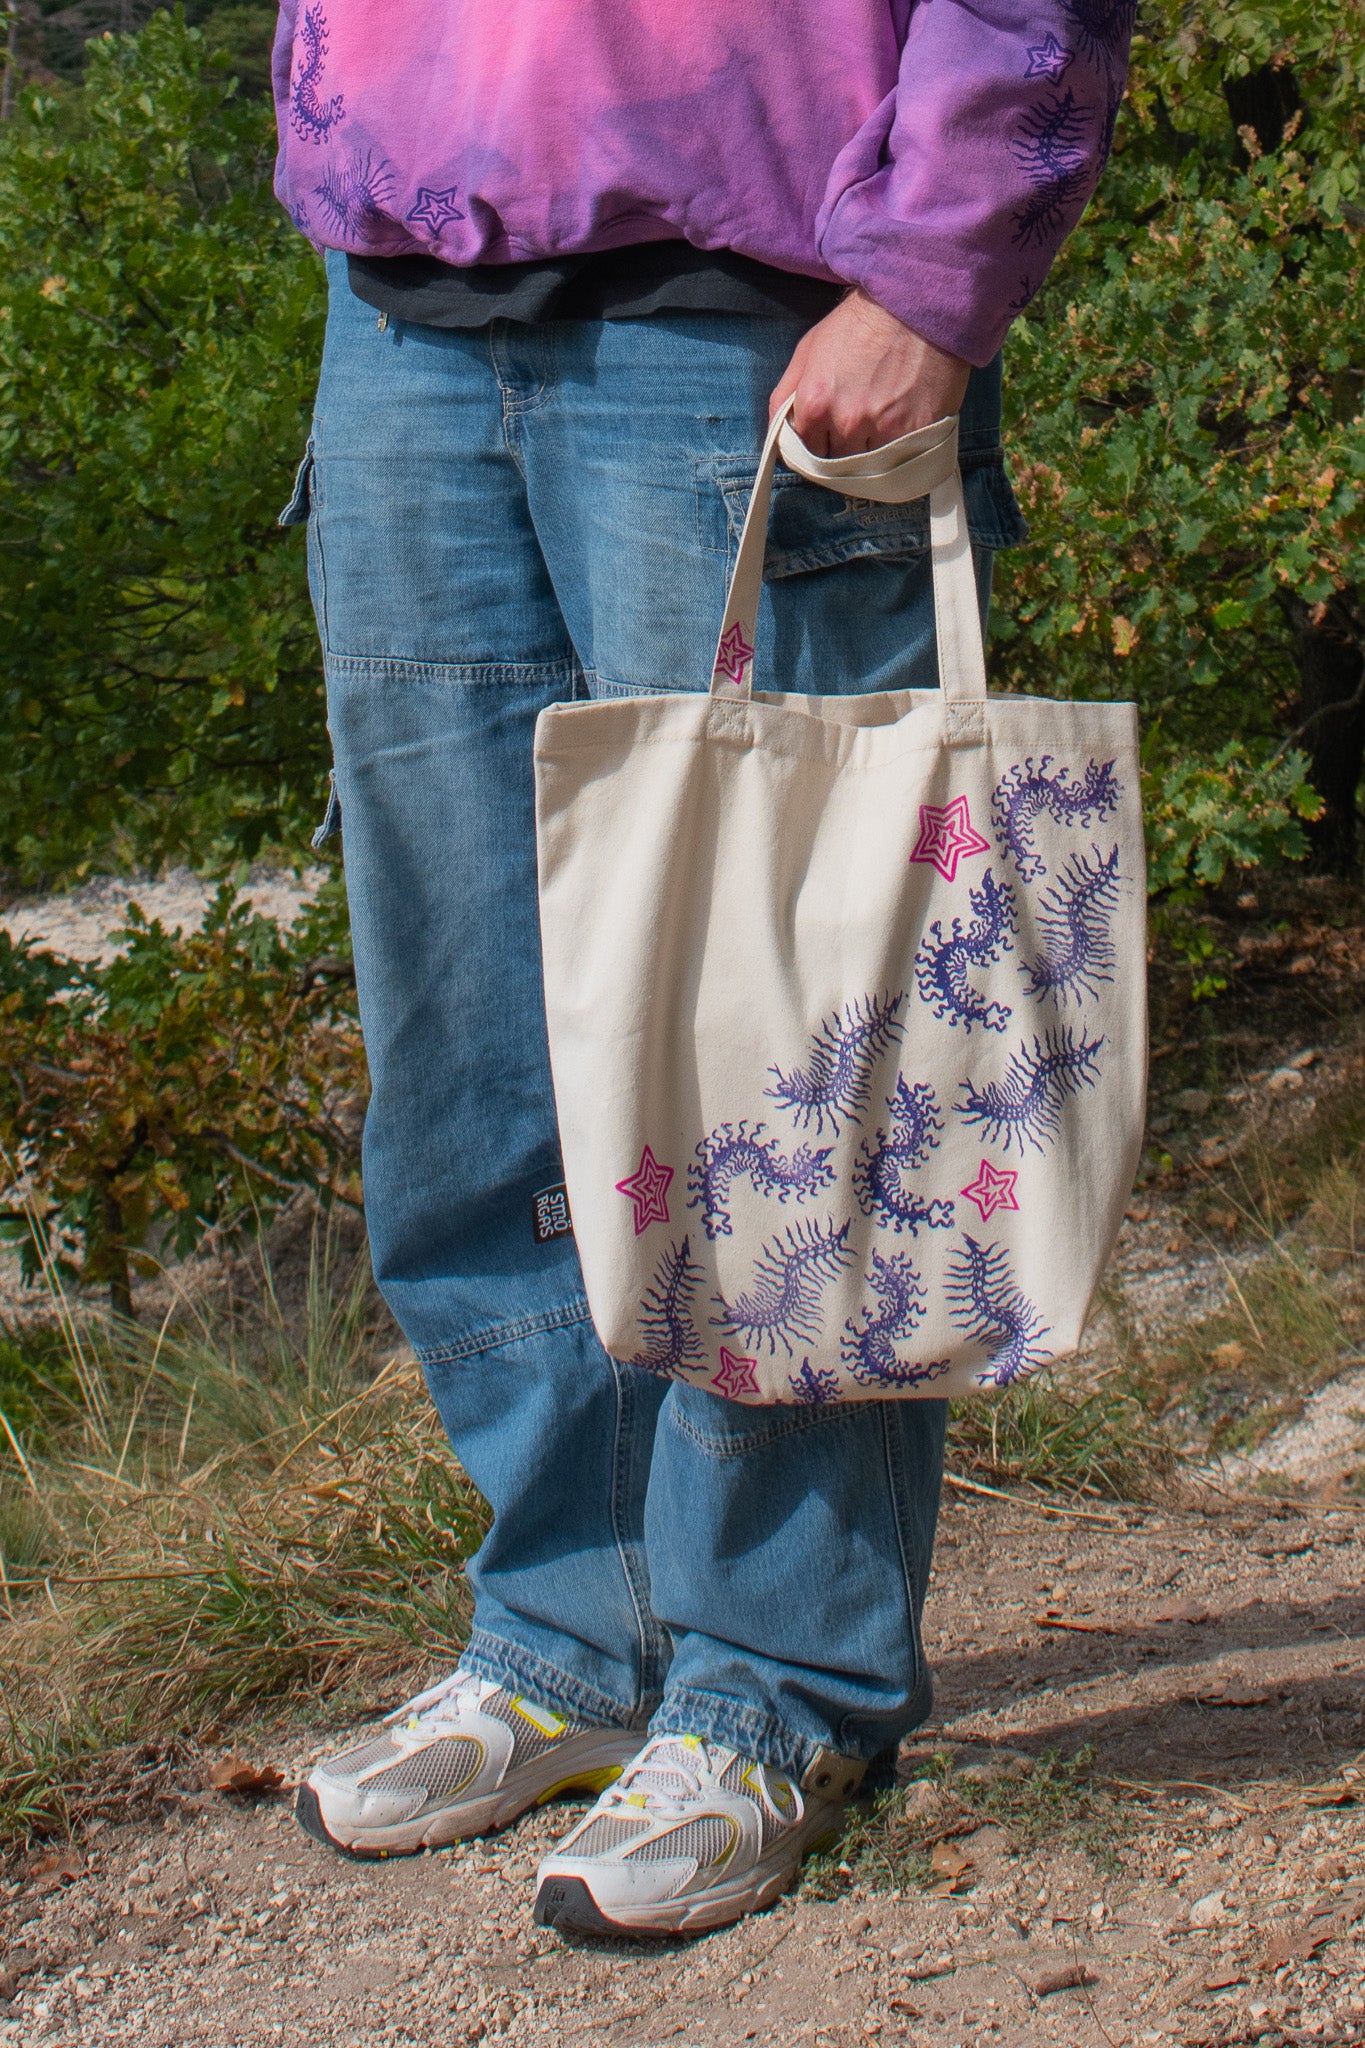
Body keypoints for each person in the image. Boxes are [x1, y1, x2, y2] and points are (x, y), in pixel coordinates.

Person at [272, 0, 1134, 1936]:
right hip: (405, 283)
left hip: (759, 299)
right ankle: (565, 1635)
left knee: (785, 1064)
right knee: (472, 1062)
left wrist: (938, 255)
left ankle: (775, 1680)